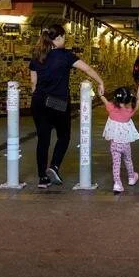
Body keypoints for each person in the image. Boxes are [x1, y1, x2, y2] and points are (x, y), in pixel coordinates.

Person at [30, 24, 105, 189]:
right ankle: (54, 166)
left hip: (38, 101)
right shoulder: (65, 55)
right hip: (57, 101)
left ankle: (42, 178)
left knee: (43, 140)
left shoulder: (37, 55)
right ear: (57, 39)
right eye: (64, 37)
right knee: (64, 136)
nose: (65, 40)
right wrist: (100, 82)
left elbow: (33, 83)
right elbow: (87, 69)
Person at [100, 87, 139, 193]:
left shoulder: (111, 108)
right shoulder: (129, 112)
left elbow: (105, 101)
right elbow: (136, 108)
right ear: (128, 99)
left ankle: (117, 184)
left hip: (114, 144)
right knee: (128, 160)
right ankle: (132, 178)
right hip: (125, 144)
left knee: (116, 163)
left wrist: (101, 95)